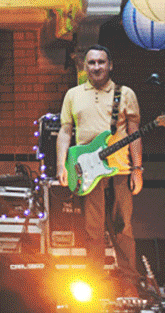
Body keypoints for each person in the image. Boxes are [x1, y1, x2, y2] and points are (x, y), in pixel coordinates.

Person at [56, 45, 142, 296]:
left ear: (110, 65)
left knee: (123, 229)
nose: (96, 67)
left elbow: (134, 134)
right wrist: (62, 164)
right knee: (92, 231)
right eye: (91, 63)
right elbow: (65, 131)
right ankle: (95, 287)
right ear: (85, 66)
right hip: (87, 172)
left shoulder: (124, 94)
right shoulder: (73, 94)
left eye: (101, 62)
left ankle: (129, 285)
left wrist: (137, 168)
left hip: (120, 170)